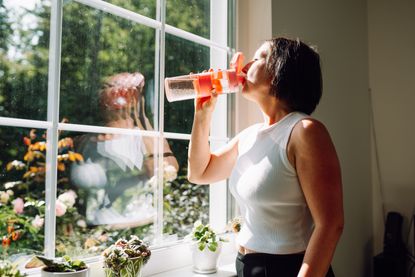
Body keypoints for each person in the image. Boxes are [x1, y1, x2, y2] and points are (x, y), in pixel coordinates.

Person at [187, 37, 344, 277]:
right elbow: (199, 173)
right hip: (247, 266)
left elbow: (330, 225)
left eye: (260, 56)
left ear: (282, 71)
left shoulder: (305, 131)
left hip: (289, 269)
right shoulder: (249, 136)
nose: (246, 64)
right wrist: (202, 113)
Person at [71, 72, 178, 228]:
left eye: (122, 89)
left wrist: (141, 117)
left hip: (143, 226)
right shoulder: (87, 141)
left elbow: (169, 172)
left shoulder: (143, 137)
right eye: (109, 88)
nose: (117, 94)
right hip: (96, 231)